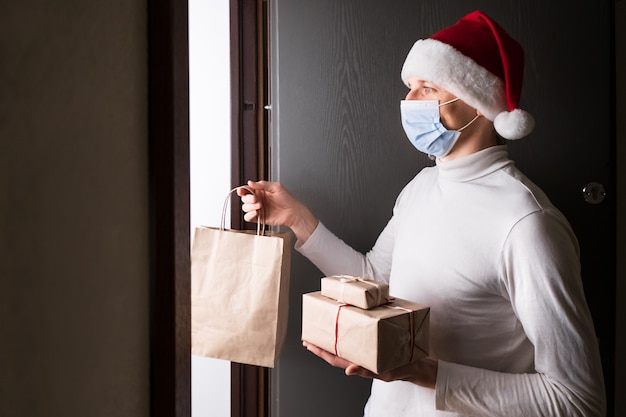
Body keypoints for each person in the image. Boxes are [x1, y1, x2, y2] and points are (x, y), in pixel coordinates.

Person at [237, 10, 606, 417]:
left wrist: (423, 372)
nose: (409, 102)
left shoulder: (526, 224)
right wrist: (298, 220)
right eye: (409, 87)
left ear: (480, 101)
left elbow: (577, 400)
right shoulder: (422, 186)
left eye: (427, 88)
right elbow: (376, 281)